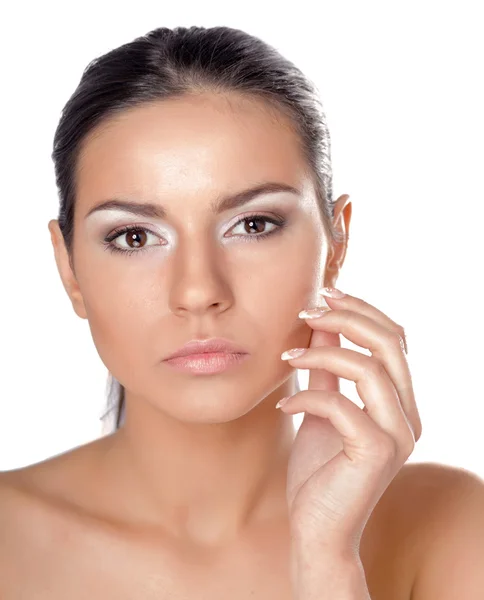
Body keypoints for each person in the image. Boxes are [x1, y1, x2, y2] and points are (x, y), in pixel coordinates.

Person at [1, 25, 483, 599]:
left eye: (254, 225)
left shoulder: (451, 529)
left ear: (337, 243)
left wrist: (326, 561)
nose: (198, 290)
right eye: (133, 237)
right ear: (68, 268)